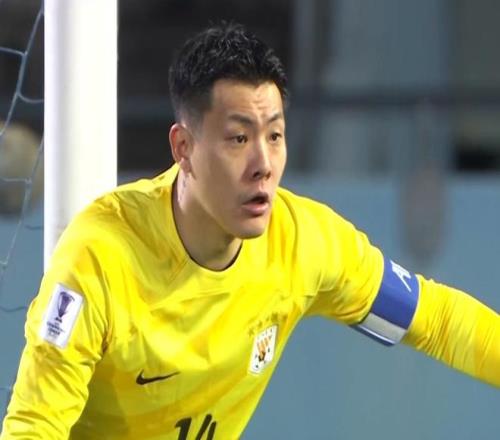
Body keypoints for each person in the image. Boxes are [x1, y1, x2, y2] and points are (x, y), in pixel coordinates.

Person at [1, 22, 499, 439]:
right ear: (183, 148)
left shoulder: (305, 242)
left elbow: (437, 320)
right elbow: (34, 427)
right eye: (238, 138)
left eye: (275, 135)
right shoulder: (100, 257)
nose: (263, 163)